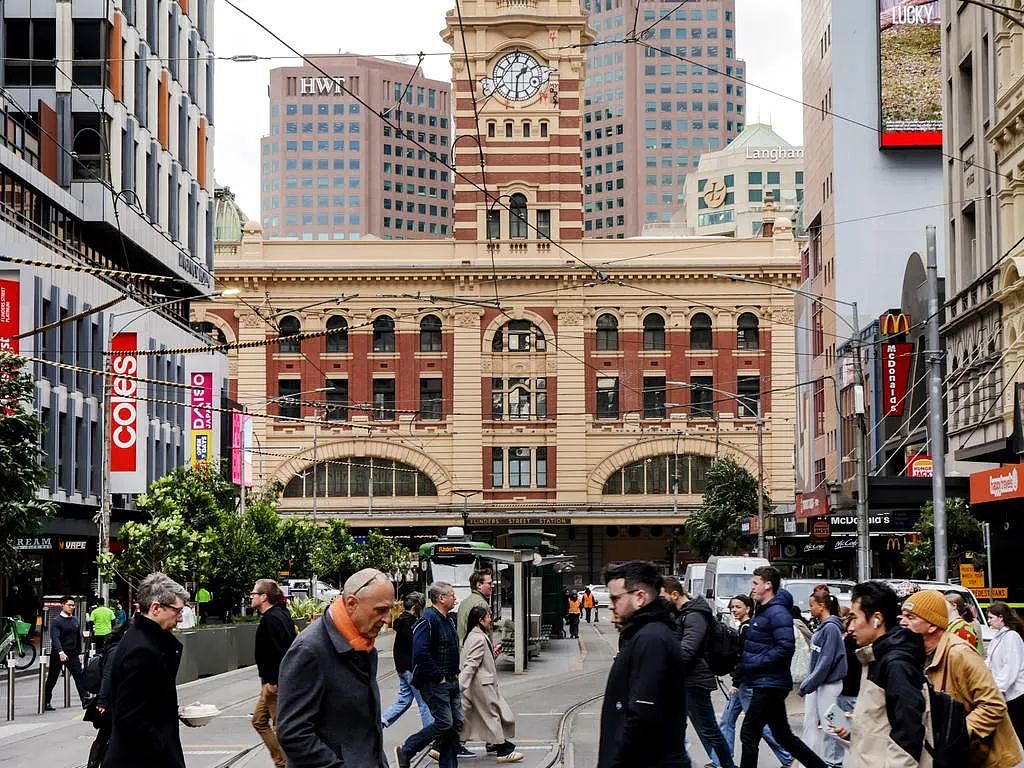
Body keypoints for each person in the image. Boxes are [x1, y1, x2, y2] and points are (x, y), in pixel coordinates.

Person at [276, 568, 393, 768]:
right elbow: (292, 733)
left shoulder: (362, 645)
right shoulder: (310, 650)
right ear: (351, 604)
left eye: (389, 609)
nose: (388, 619)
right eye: (380, 610)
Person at [901, 589, 1022, 768]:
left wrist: (956, 733)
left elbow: (994, 704)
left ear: (932, 625)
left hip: (993, 761)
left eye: (911, 617)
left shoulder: (959, 653)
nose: (903, 622)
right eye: (902, 616)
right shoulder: (918, 654)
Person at [598, 560, 689, 768]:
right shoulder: (646, 635)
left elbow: (642, 715)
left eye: (615, 598)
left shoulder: (651, 639)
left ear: (640, 597)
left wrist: (616, 762)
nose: (611, 605)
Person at [734, 566, 825, 768]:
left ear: (768, 585)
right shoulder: (764, 611)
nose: (753, 588)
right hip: (767, 682)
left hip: (769, 683)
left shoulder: (777, 613)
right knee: (782, 735)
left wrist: (755, 663)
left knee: (749, 732)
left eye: (756, 583)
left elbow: (785, 647)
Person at [831, 580, 928, 767]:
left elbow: (908, 734)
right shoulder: (875, 657)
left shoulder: (896, 664)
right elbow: (882, 721)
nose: (850, 627)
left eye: (855, 618)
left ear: (877, 619)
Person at [104, 573, 191, 768]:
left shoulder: (140, 637)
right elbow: (128, 715)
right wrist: (163, 748)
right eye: (177, 611)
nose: (179, 618)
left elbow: (144, 701)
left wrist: (171, 711)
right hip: (142, 759)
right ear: (156, 608)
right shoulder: (142, 649)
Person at [661, 576, 736, 768]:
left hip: (695, 680)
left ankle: (727, 765)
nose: (661, 601)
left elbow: (687, 651)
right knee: (679, 727)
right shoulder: (681, 614)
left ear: (675, 594)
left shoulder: (694, 615)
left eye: (663, 597)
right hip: (684, 679)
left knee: (709, 729)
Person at [713, 594, 792, 768]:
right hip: (744, 682)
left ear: (748, 608)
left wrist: (736, 681)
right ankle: (721, 761)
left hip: (746, 683)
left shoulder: (748, 628)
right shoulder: (745, 627)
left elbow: (745, 657)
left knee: (757, 725)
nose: (734, 610)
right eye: (732, 607)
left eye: (738, 607)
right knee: (727, 721)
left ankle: (788, 756)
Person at [395, 581, 464, 768]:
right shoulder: (428, 620)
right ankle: (408, 748)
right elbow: (420, 652)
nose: (455, 597)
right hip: (435, 683)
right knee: (445, 723)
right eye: (451, 594)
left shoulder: (448, 619)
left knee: (455, 723)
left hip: (451, 680)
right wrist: (438, 676)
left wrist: (454, 674)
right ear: (441, 598)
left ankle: (448, 765)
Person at [459, 605, 523, 763]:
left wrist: (492, 653)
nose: (490, 619)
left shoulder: (473, 635)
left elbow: (476, 661)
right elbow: (471, 664)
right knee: (492, 716)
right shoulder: (479, 638)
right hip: (482, 685)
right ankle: (503, 749)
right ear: (480, 620)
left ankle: (445, 746)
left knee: (470, 717)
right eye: (488, 616)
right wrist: (460, 685)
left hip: (477, 684)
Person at [798, 586, 847, 768]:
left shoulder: (831, 629)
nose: (809, 609)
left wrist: (807, 684)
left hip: (828, 684)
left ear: (821, 606)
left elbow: (826, 661)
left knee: (832, 725)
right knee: (809, 723)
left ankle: (859, 750)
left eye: (811, 605)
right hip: (817, 684)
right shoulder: (824, 627)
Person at [250, 579, 297, 768]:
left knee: (281, 727)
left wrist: (272, 680)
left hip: (275, 684)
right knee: (259, 720)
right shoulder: (281, 615)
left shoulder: (271, 619)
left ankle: (287, 763)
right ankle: (281, 760)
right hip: (272, 683)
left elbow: (279, 652)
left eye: (254, 593)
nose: (251, 596)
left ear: (264, 597)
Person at [382, 592, 434, 731]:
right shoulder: (410, 624)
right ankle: (430, 736)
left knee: (404, 700)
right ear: (416, 607)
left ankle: (380, 722)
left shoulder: (401, 621)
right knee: (424, 702)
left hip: (402, 669)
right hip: (411, 669)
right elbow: (416, 648)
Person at [85, 619, 130, 768]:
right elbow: (107, 676)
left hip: (117, 700)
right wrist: (102, 702)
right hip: (112, 702)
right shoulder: (116, 651)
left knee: (106, 735)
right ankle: (96, 763)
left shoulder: (123, 649)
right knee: (106, 736)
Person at [986, 602, 1024, 742]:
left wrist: (997, 689)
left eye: (991, 617)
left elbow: (1010, 668)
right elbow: (989, 661)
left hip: (1016, 695)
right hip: (1006, 694)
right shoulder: (999, 637)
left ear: (1000, 617)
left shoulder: (1011, 637)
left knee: (1018, 733)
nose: (989, 621)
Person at [44, 595, 90, 710]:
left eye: (73, 605)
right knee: (52, 678)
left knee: (79, 675)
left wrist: (80, 653)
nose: (72, 607)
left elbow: (78, 637)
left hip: (73, 653)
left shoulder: (75, 620)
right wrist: (60, 652)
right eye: (69, 605)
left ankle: (85, 700)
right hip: (59, 654)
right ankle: (46, 701)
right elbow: (55, 638)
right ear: (62, 605)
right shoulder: (56, 621)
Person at [457, 569, 493, 644]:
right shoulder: (481, 604)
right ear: (479, 585)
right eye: (489, 583)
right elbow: (485, 633)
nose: (492, 586)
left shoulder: (464, 602)